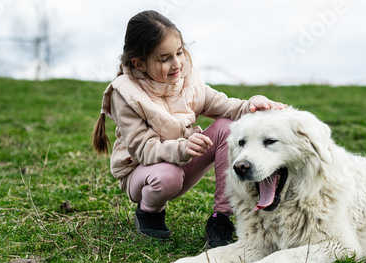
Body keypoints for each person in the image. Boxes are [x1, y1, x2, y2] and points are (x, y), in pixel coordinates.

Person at [93, 10, 286, 248]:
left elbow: (225, 107)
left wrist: (251, 104)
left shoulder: (189, 80)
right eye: (164, 58)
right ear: (138, 63)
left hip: (184, 161)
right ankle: (149, 211)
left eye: (179, 52)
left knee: (227, 127)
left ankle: (221, 218)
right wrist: (183, 147)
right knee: (168, 176)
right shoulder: (125, 94)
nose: (177, 64)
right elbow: (142, 149)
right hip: (142, 173)